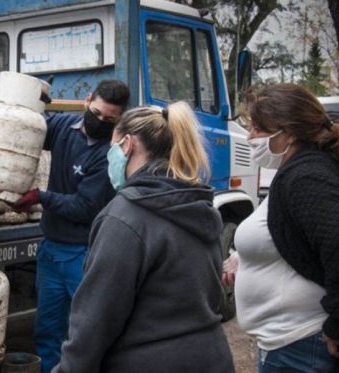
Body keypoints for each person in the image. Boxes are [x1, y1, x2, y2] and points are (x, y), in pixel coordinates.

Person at [51, 102, 234, 372]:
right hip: (211, 357)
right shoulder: (199, 204)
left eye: (112, 147)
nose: (108, 156)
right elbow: (212, 297)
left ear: (127, 144)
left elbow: (95, 321)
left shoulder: (125, 216)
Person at [14, 80, 130, 373]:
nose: (100, 122)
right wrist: (31, 104)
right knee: (47, 330)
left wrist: (40, 196)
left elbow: (83, 207)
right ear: (87, 100)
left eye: (110, 119)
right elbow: (31, 130)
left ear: (120, 118)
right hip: (51, 250)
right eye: (97, 112)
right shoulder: (65, 126)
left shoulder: (110, 155)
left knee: (84, 334)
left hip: (83, 254)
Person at [223, 83, 339, 372]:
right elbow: (289, 233)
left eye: (257, 130)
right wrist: (246, 258)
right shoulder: (296, 169)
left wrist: (337, 324)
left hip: (302, 345)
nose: (249, 138)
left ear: (287, 133)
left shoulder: (306, 176)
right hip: (290, 345)